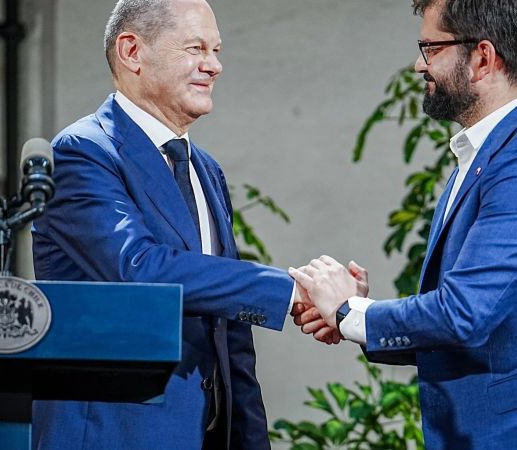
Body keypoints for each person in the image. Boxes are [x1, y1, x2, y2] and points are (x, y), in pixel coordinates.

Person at [291, 0, 517, 448]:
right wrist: (357, 315)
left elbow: (464, 314)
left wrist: (348, 312)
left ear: (482, 57)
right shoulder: (497, 152)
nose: (419, 65)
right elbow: (482, 318)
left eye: (430, 47)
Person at [30, 0, 315, 448]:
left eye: (217, 50)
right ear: (132, 51)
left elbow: (230, 330)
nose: (215, 66)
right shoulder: (82, 152)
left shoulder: (206, 169)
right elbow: (140, 268)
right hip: (115, 432)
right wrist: (289, 290)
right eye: (196, 48)